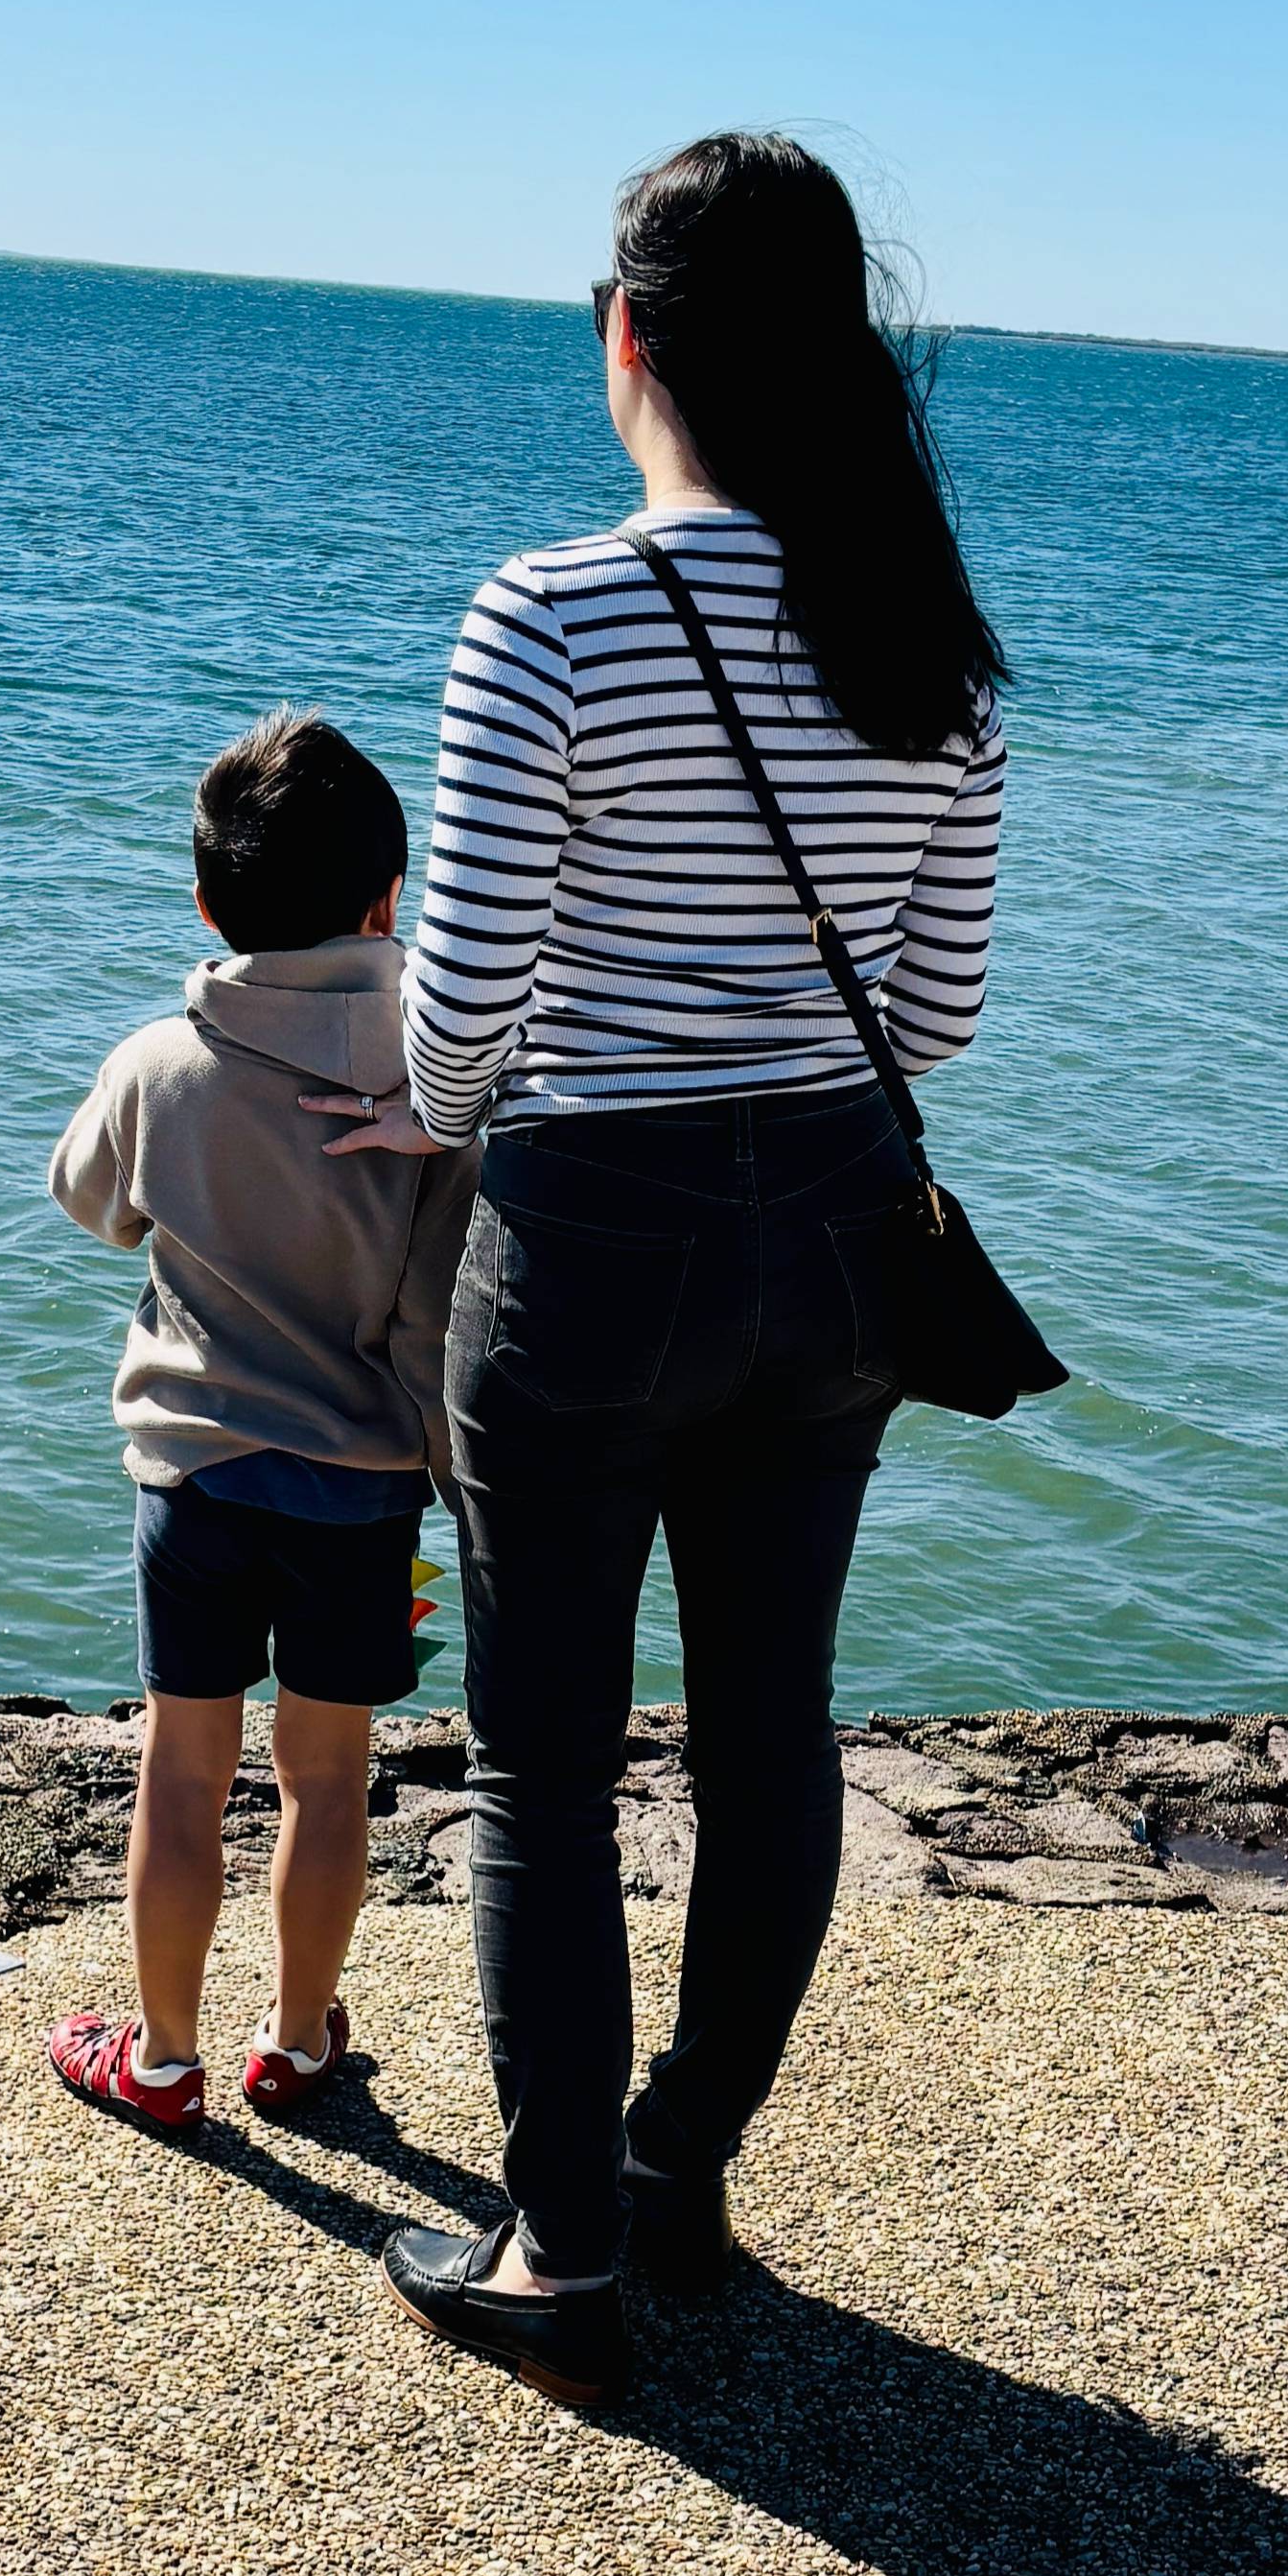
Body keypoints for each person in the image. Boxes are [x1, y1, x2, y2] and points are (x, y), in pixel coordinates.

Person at [313, 133, 1010, 2407]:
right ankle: (685, 2169)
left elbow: (464, 1017)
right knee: (771, 1720)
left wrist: (456, 1095)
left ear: (625, 337)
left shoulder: (552, 611)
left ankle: (560, 2245)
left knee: (537, 1762)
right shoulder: (930, 640)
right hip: (827, 1240)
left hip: (587, 1241)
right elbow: (934, 1020)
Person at [45, 708, 480, 2134]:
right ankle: (296, 2041)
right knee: (329, 1778)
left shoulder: (161, 1060)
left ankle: (161, 2052)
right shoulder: (443, 1080)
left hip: (196, 1476)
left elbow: (90, 1202)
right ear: (388, 899)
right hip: (365, 1492)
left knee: (182, 1771)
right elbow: (450, 1285)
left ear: (206, 901)